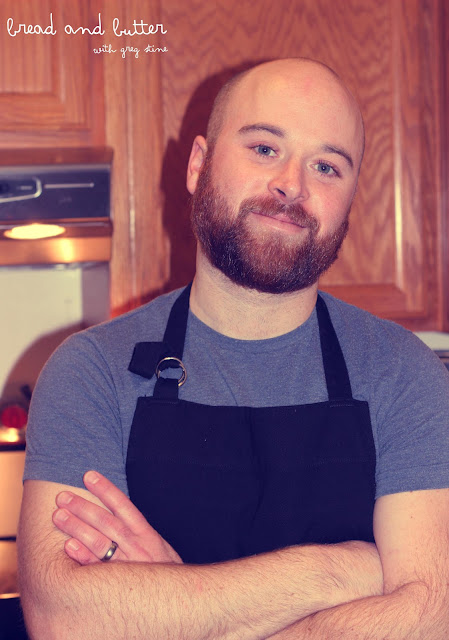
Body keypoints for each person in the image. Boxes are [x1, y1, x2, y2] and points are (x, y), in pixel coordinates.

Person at [18, 58, 449, 639]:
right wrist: (334, 572)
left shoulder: (404, 373)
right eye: (265, 148)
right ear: (198, 164)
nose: (292, 185)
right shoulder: (91, 371)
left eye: (327, 166)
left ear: (352, 198)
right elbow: (64, 621)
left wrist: (173, 609)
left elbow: (430, 617)